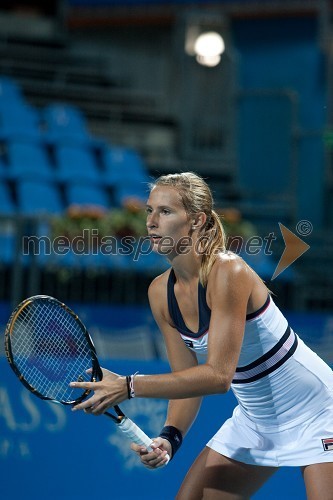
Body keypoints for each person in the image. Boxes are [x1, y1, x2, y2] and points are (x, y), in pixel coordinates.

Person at [70, 172, 333, 499]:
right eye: (149, 211)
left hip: (320, 412)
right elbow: (186, 381)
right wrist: (169, 438)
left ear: (196, 221)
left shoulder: (228, 271)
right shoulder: (159, 293)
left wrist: (129, 386)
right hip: (256, 422)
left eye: (165, 212)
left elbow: (218, 377)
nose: (151, 222)